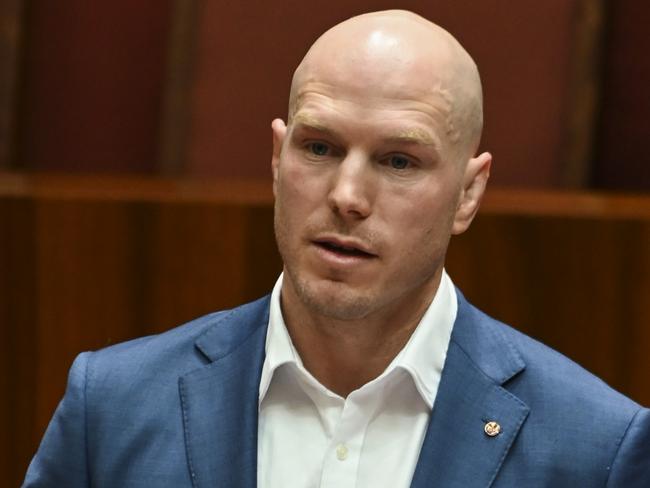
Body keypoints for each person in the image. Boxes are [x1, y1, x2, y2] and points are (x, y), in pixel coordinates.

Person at [24, 10, 649, 488]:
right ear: (277, 159)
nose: (347, 195)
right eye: (318, 148)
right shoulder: (111, 405)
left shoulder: (596, 447)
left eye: (398, 160)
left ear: (467, 193)